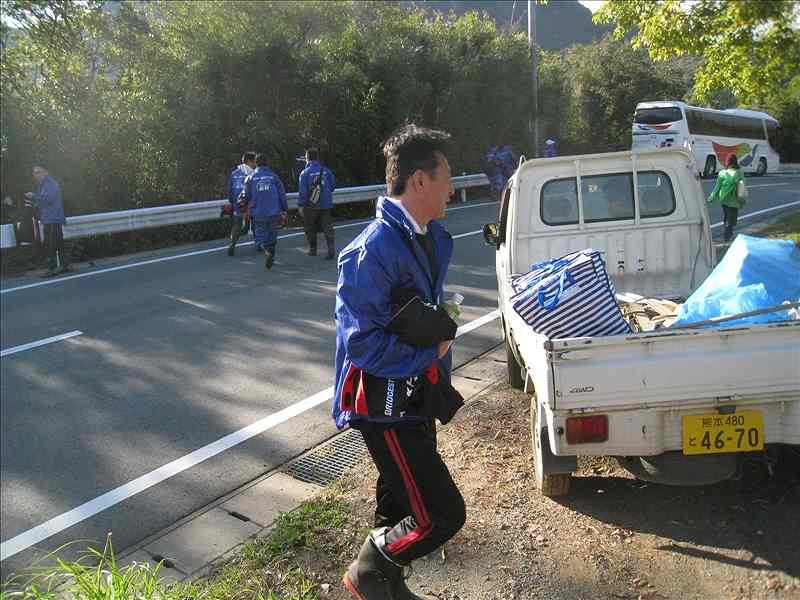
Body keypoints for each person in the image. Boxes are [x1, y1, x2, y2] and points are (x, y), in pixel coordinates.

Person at [333, 124, 465, 600]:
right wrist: (428, 352)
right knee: (442, 513)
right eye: (447, 175)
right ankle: (368, 572)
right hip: (382, 402)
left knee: (398, 504)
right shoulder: (371, 251)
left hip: (414, 396)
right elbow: (362, 345)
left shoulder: (428, 238)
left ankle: (385, 587)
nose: (454, 186)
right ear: (420, 181)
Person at [243, 153, 288, 270]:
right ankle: (271, 254)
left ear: (256, 163)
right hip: (274, 212)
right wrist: (284, 208)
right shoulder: (273, 176)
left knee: (261, 237)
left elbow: (246, 196)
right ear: (267, 163)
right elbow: (281, 194)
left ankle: (267, 252)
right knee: (272, 236)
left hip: (258, 213)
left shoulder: (250, 178)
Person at [25, 165, 69, 277]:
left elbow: (48, 199)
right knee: (58, 243)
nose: (36, 175)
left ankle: (51, 268)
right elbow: (42, 201)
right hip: (49, 218)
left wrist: (33, 196)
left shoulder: (50, 184)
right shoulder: (42, 185)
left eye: (39, 172)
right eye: (34, 173)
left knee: (50, 244)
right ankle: (64, 265)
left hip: (53, 218)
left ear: (46, 173)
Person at [298, 147, 337, 259]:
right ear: (317, 158)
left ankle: (313, 249)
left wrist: (301, 205)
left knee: (310, 227)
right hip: (326, 204)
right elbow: (333, 185)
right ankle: (331, 249)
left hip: (311, 205)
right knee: (327, 226)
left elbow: (303, 192)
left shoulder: (304, 173)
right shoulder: (325, 170)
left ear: (307, 158)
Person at [707, 153, 745, 242]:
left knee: (727, 216)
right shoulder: (739, 173)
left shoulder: (722, 173)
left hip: (723, 199)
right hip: (734, 200)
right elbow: (742, 189)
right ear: (736, 162)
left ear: (727, 162)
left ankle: (727, 232)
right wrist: (742, 202)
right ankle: (727, 237)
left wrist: (711, 197)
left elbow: (717, 187)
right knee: (731, 220)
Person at [225, 151, 256, 256]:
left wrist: (232, 202)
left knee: (237, 224)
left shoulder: (234, 173)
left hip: (237, 203)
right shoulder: (252, 173)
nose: (255, 164)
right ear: (249, 161)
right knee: (256, 222)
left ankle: (232, 243)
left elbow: (229, 190)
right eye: (254, 161)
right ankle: (259, 244)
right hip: (249, 203)